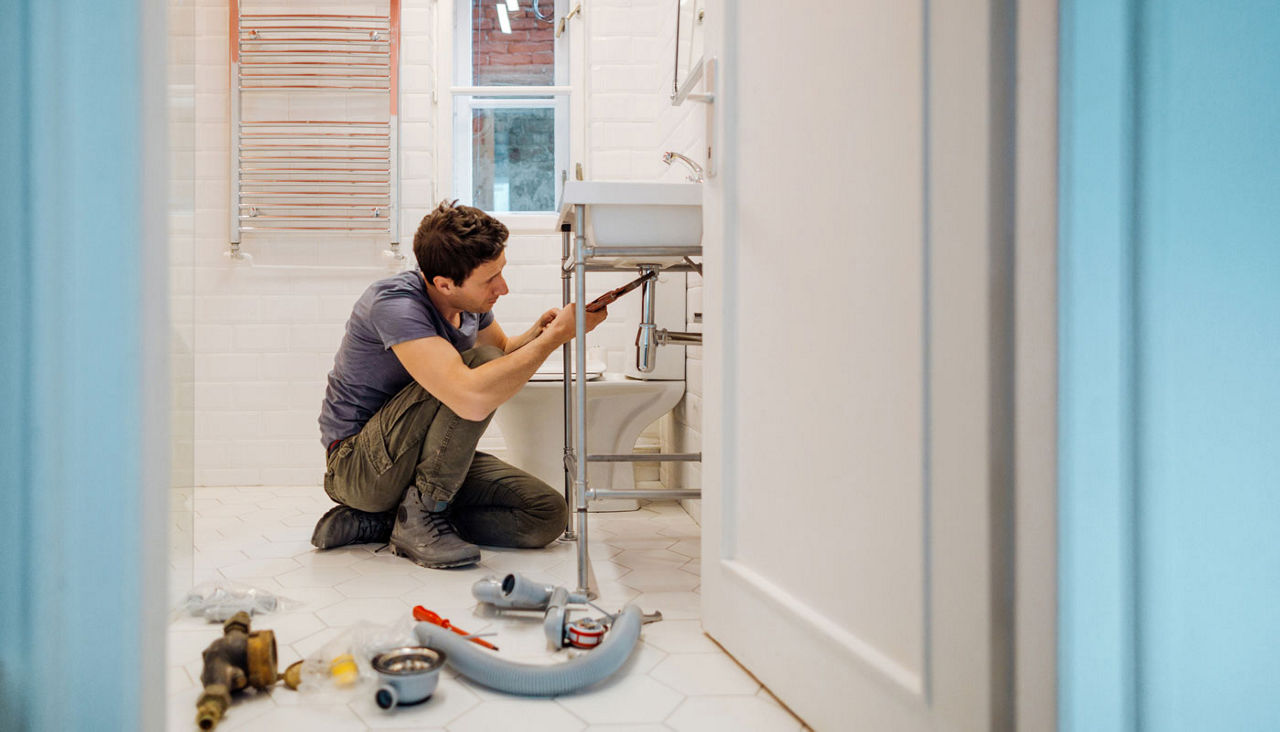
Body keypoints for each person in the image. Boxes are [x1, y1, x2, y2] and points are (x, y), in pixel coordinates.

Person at [311, 200, 608, 568]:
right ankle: (423, 513)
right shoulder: (394, 303)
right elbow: (471, 396)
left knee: (545, 514)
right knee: (477, 371)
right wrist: (554, 339)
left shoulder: (470, 302)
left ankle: (392, 520)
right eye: (490, 279)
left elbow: (503, 353)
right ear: (444, 284)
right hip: (358, 466)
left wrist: (541, 333)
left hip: (414, 457)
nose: (503, 287)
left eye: (501, 271)